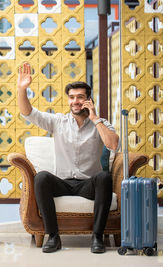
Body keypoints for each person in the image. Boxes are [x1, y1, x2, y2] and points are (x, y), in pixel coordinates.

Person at [16, 62, 119, 254]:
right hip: (63, 182)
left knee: (104, 177)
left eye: (80, 97)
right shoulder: (58, 122)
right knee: (42, 177)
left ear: (89, 100)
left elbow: (113, 145)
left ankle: (97, 237)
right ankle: (53, 237)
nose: (75, 101)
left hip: (88, 184)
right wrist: (22, 89)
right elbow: (28, 113)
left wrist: (96, 119)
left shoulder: (101, 124)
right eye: (72, 98)